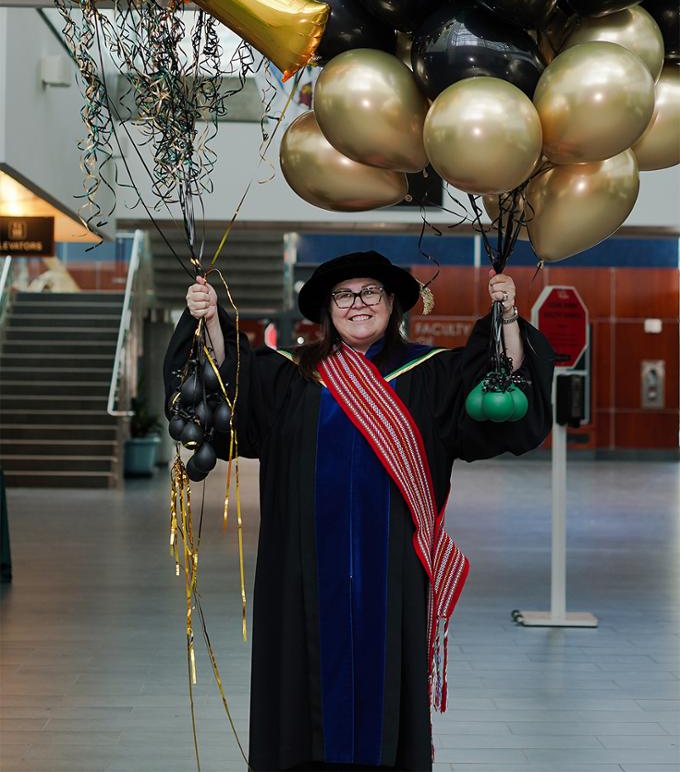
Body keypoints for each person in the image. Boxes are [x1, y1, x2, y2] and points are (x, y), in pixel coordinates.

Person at [164, 250, 555, 772]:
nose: (358, 305)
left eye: (371, 292)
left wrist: (505, 321)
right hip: (303, 576)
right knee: (303, 697)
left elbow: (499, 398)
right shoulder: (294, 377)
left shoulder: (429, 375)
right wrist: (210, 319)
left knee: (384, 691)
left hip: (390, 576)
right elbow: (232, 388)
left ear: (393, 304)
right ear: (328, 310)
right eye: (344, 295)